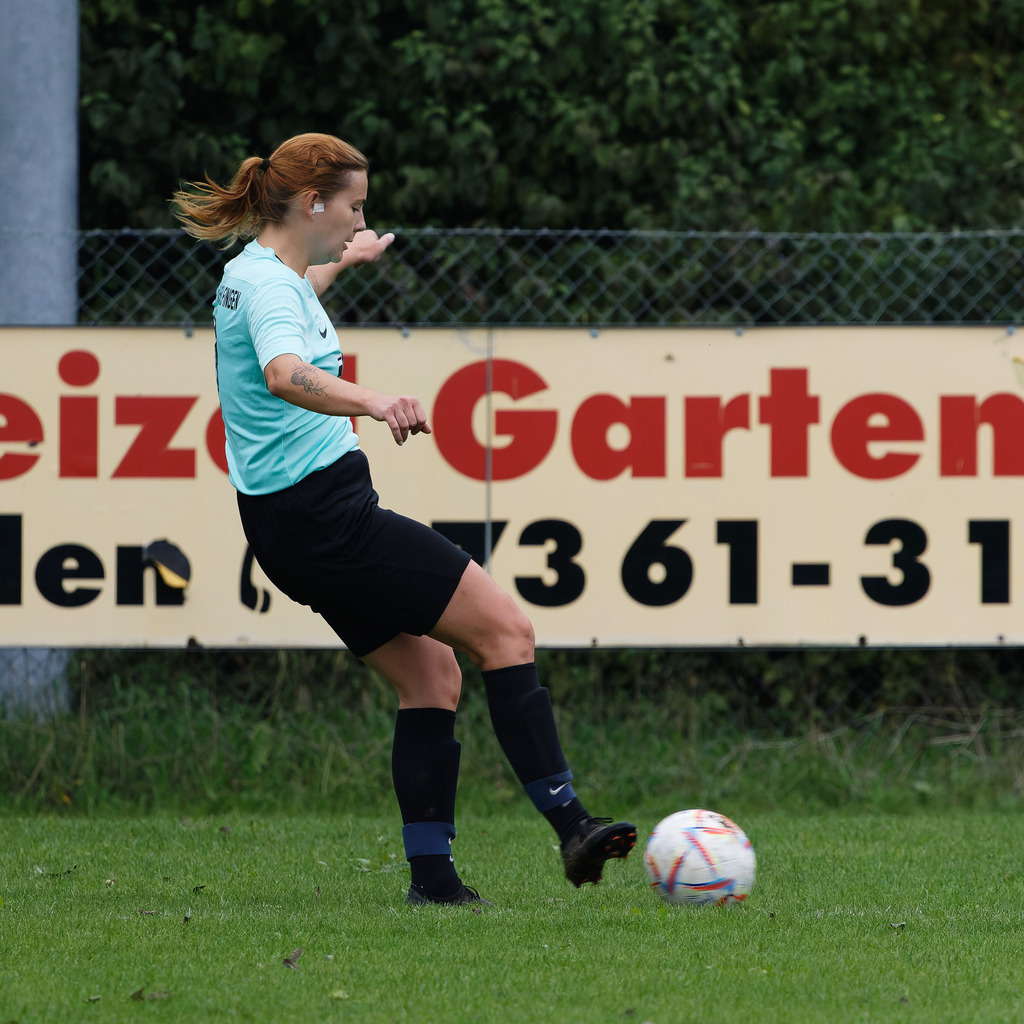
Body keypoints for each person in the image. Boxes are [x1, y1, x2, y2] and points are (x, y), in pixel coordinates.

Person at [173, 132, 636, 906]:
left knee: (433, 676)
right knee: (508, 634)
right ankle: (572, 826)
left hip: (292, 532)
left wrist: (343, 265)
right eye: (354, 205)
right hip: (331, 522)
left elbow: (291, 296)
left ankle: (434, 881)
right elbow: (285, 373)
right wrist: (374, 398)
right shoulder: (271, 291)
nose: (361, 218)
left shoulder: (256, 273)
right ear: (313, 201)